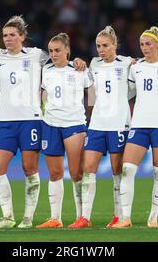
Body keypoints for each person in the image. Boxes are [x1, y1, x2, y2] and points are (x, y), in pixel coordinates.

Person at [0, 16, 87, 228]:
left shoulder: (37, 55)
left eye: (13, 35)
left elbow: (61, 59)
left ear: (22, 36)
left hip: (31, 120)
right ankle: (7, 216)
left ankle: (27, 218)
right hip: (5, 120)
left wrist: (78, 60)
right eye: (5, 36)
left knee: (29, 168)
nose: (8, 39)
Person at [112, 26, 158, 229]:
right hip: (139, 124)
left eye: (148, 43)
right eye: (141, 44)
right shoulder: (135, 67)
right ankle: (125, 218)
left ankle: (153, 217)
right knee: (128, 169)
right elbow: (127, 92)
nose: (144, 47)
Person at [71, 26, 135, 229]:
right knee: (88, 168)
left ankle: (119, 216)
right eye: (98, 46)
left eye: (105, 45)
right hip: (97, 124)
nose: (101, 49)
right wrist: (78, 61)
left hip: (118, 125)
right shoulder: (94, 64)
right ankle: (85, 218)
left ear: (115, 45)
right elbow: (90, 90)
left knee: (117, 171)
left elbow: (134, 88)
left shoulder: (127, 63)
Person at [35, 33, 93, 229]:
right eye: (51, 51)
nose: (53, 54)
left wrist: (90, 117)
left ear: (67, 50)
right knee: (54, 173)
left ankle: (81, 218)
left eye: (58, 50)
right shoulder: (46, 69)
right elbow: (43, 94)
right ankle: (55, 218)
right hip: (50, 124)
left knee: (76, 172)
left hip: (74, 124)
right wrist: (44, 109)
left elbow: (92, 93)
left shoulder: (79, 68)